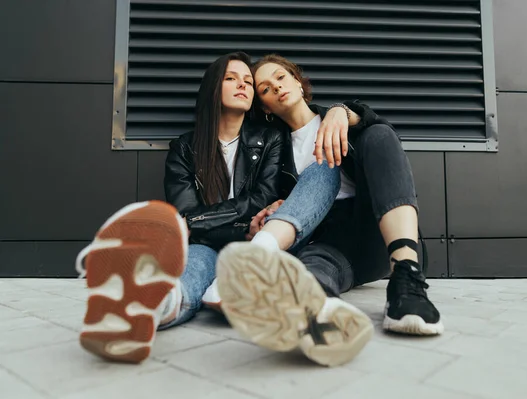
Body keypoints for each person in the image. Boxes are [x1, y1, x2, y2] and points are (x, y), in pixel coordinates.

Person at [74, 52, 365, 363]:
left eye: (248, 82)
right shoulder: (185, 150)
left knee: (322, 169)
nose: (242, 85)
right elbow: (187, 215)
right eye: (231, 78)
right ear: (214, 87)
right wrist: (197, 224)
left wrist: (196, 224)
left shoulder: (270, 139)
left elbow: (260, 198)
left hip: (259, 241)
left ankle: (279, 294)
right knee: (189, 274)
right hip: (209, 246)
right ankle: (137, 314)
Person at [215, 54, 444, 367]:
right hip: (326, 241)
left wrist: (343, 111)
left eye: (281, 77)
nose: (278, 88)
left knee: (378, 134)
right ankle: (315, 312)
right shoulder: (272, 149)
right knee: (313, 272)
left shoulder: (345, 119)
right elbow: (276, 199)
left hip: (375, 229)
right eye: (266, 88)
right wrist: (273, 208)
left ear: (298, 81)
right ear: (265, 107)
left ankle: (407, 280)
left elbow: (385, 145)